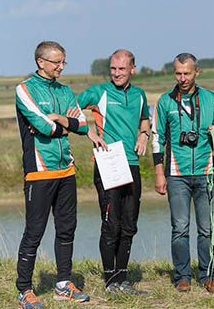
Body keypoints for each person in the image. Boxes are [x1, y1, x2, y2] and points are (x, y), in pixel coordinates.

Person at [15, 41, 90, 308]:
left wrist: (59, 118)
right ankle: (24, 289)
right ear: (41, 62)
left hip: (66, 170)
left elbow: (82, 125)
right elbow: (43, 127)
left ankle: (63, 285)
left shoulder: (66, 90)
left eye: (63, 62)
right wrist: (60, 124)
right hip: (39, 172)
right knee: (34, 232)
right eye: (57, 62)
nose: (61, 67)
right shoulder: (24, 89)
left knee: (67, 229)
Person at [77, 49, 150, 295]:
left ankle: (122, 279)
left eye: (121, 69)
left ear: (133, 69)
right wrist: (89, 132)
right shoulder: (99, 92)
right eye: (113, 69)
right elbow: (71, 108)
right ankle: (110, 283)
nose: (117, 73)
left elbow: (145, 119)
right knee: (111, 225)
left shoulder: (139, 94)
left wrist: (144, 134)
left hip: (132, 165)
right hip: (107, 163)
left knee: (129, 226)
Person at [152, 53, 214, 293]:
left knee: (207, 229)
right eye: (178, 73)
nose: (182, 78)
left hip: (206, 172)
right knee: (180, 228)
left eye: (187, 73)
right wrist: (159, 172)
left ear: (197, 72)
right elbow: (157, 139)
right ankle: (182, 276)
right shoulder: (165, 101)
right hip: (177, 174)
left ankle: (208, 275)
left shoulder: (211, 100)